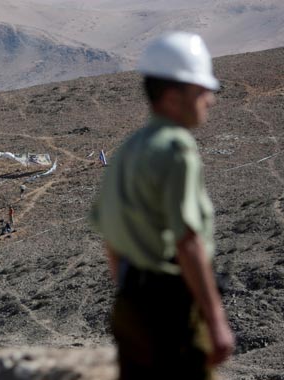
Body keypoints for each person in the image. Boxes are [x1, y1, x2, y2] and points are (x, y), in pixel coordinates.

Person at [89, 32, 234, 380]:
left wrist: (133, 296)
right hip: (171, 310)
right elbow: (187, 241)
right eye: (201, 90)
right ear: (172, 96)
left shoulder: (127, 149)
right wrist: (215, 321)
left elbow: (111, 240)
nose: (210, 100)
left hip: (130, 308)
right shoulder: (176, 148)